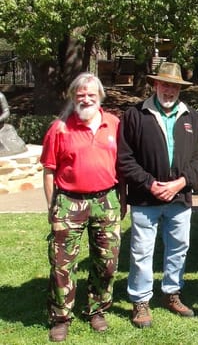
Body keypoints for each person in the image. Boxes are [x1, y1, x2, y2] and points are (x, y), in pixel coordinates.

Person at [117, 62, 198, 329]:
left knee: (178, 248)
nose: (170, 90)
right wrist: (150, 183)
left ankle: (171, 293)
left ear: (180, 88)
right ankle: (141, 300)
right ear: (155, 84)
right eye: (165, 84)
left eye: (174, 86)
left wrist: (180, 182)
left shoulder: (191, 116)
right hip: (146, 198)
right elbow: (125, 158)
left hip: (180, 197)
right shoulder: (135, 115)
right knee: (141, 251)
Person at [40, 73, 122, 342]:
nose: (86, 99)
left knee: (107, 262)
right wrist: (52, 208)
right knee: (62, 264)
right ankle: (61, 317)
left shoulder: (114, 124)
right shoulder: (60, 128)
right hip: (69, 202)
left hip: (106, 200)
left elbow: (123, 166)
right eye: (80, 94)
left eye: (91, 94)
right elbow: (49, 171)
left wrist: (123, 201)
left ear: (100, 96)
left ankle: (96, 308)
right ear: (73, 96)